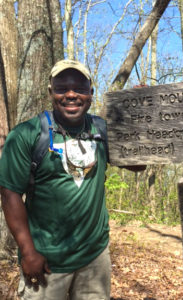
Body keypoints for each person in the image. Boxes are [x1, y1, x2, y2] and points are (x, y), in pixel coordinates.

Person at [0, 59, 144, 300]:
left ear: (90, 93)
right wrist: (27, 252)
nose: (70, 94)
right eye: (61, 88)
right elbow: (9, 193)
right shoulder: (27, 134)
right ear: (50, 93)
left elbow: (138, 165)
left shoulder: (101, 130)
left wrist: (135, 117)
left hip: (94, 257)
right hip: (47, 260)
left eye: (79, 88)